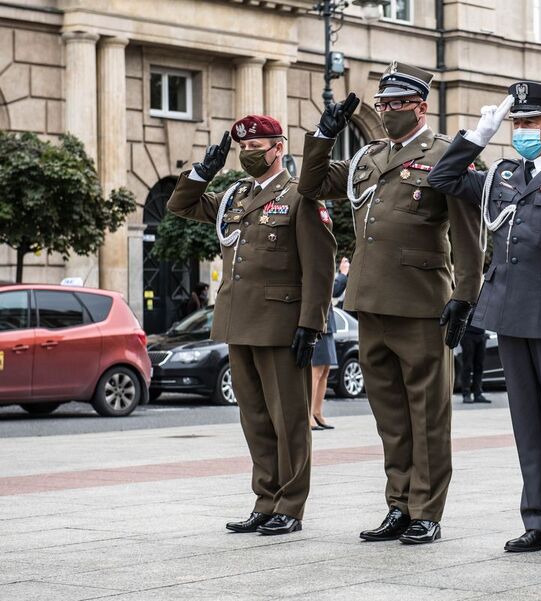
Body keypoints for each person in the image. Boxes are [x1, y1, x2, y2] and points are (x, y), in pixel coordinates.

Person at [297, 63, 484, 545]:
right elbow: (311, 184)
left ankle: (426, 508)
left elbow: (467, 235)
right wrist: (323, 133)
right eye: (383, 104)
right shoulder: (368, 157)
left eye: (398, 104)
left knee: (428, 414)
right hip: (370, 299)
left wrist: (466, 294)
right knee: (390, 415)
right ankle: (398, 504)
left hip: (422, 302)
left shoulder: (447, 155)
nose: (388, 112)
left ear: (421, 106)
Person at [428, 82, 541, 556]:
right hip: (508, 312)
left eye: (529, 123)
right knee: (526, 422)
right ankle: (537, 519)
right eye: (516, 123)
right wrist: (476, 137)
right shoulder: (502, 174)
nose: (521, 131)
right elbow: (442, 180)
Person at [167, 116, 337, 535]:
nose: (248, 155)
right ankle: (265, 499)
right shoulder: (236, 195)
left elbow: (320, 266)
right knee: (255, 418)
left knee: (289, 419)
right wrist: (201, 173)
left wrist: (311, 324)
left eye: (256, 147)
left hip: (281, 324)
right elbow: (181, 206)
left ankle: (290, 506)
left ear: (278, 147)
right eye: (243, 149)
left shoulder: (300, 195)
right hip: (238, 321)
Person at [309, 257, 349, 430]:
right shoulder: (313, 262)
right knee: (316, 370)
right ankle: (309, 414)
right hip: (318, 322)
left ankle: (318, 412)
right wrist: (342, 275)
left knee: (325, 369)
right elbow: (331, 289)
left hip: (328, 322)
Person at [459, 324, 490, 404]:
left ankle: (478, 394)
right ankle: (466, 394)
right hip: (467, 334)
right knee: (467, 366)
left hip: (481, 334)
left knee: (479, 366)